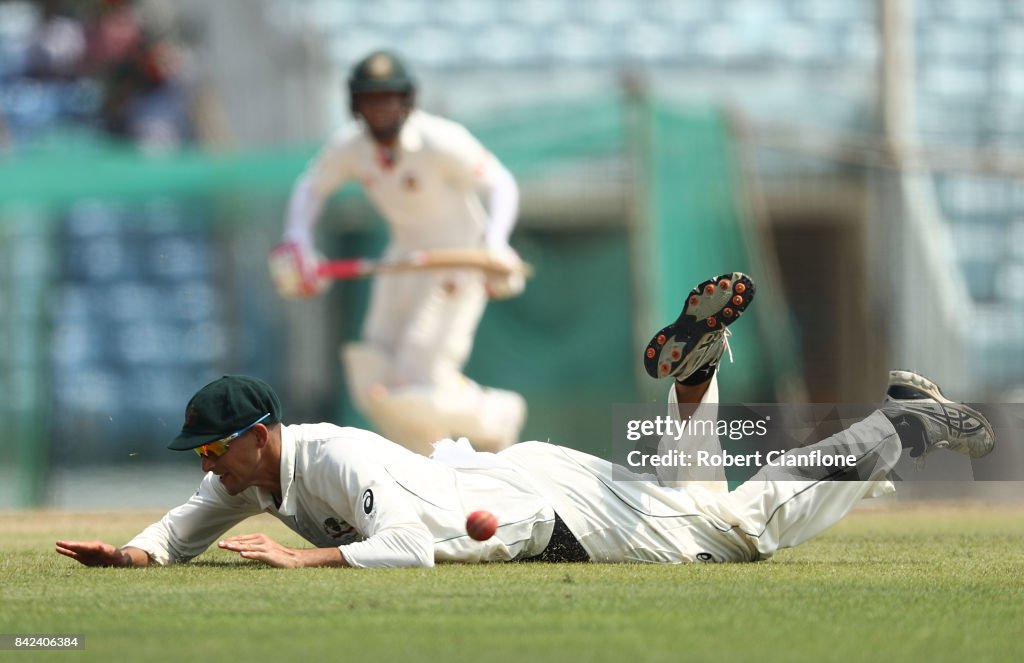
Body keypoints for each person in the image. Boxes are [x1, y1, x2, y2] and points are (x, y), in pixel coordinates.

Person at [55, 272, 995, 569]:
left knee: (740, 535)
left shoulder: (332, 456)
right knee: (708, 502)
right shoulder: (253, 475)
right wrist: (135, 555)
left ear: (258, 433)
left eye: (214, 448)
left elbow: (417, 542)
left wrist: (303, 559)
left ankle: (900, 425)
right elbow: (186, 523)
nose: (206, 467)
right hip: (529, 487)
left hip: (551, 507)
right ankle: (702, 380)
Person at [268, 49, 526, 455]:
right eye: (372, 99)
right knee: (373, 373)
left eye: (389, 97)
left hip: (457, 261)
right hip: (402, 258)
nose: (381, 108)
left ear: (406, 100)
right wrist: (297, 238)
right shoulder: (351, 147)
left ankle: (497, 415)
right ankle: (427, 466)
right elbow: (311, 187)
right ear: (356, 104)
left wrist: (494, 241)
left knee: (419, 373)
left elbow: (500, 183)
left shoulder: (438, 139)